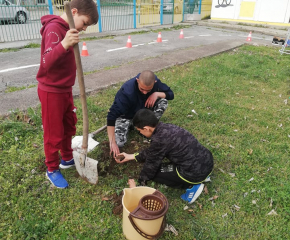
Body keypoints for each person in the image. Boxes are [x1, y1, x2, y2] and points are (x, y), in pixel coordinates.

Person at [36, 0, 98, 188]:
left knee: (68, 125)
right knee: (53, 132)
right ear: (74, 12)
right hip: (51, 91)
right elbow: (46, 62)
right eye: (85, 23)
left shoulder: (70, 30)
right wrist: (64, 44)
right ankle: (52, 168)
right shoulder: (54, 29)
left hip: (65, 89)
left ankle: (67, 158)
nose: (84, 28)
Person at [116, 109, 214, 204]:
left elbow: (151, 164)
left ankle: (192, 186)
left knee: (155, 173)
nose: (140, 133)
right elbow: (153, 151)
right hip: (207, 161)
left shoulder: (159, 140)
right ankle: (204, 176)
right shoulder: (166, 127)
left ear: (146, 128)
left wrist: (141, 181)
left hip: (194, 173)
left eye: (140, 130)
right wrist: (131, 156)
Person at [107, 70, 174, 157]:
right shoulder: (127, 92)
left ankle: (146, 128)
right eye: (142, 89)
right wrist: (112, 142)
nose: (145, 92)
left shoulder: (155, 82)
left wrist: (156, 94)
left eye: (148, 90)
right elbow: (111, 116)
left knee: (163, 102)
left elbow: (171, 94)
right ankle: (131, 126)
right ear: (137, 81)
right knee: (119, 143)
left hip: (141, 113)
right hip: (126, 117)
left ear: (154, 82)